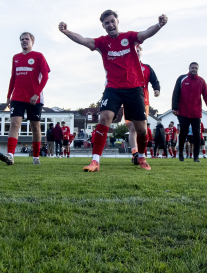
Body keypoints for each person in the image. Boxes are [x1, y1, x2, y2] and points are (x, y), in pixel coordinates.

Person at [58, 10, 168, 172]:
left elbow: (145, 33)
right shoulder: (102, 42)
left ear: (117, 22)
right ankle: (95, 161)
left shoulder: (129, 37)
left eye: (112, 21)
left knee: (141, 129)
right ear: (103, 26)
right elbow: (84, 40)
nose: (110, 25)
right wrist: (66, 31)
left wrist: (159, 24)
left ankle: (141, 157)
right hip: (113, 88)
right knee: (104, 117)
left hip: (134, 88)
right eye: (106, 23)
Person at [0, 31, 50, 166]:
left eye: (27, 39)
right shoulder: (16, 57)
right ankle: (10, 155)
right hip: (18, 97)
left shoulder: (39, 56)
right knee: (14, 124)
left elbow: (45, 77)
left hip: (34, 98)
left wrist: (36, 94)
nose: (24, 41)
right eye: (22, 39)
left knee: (35, 126)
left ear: (32, 42)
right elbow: (13, 77)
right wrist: (8, 95)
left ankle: (36, 157)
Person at [172, 62, 207, 163]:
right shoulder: (182, 79)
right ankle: (181, 153)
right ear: (189, 68)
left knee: (197, 134)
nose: (194, 69)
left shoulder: (201, 81)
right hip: (183, 111)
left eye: (196, 68)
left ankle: (196, 157)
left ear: (198, 69)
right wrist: (174, 108)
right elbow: (176, 93)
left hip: (196, 112)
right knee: (183, 132)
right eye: (192, 68)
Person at [127, 44, 160, 164]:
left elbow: (155, 81)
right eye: (134, 50)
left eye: (138, 51)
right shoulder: (125, 66)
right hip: (128, 100)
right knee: (132, 127)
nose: (136, 52)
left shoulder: (147, 68)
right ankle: (135, 153)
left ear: (141, 53)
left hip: (143, 101)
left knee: (141, 129)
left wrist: (157, 89)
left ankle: (141, 153)